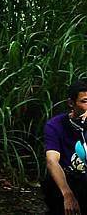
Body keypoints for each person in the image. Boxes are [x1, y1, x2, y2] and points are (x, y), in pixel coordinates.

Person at [43, 80, 87, 215]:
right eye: (85, 101)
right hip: (67, 181)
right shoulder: (55, 125)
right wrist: (67, 194)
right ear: (71, 103)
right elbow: (52, 161)